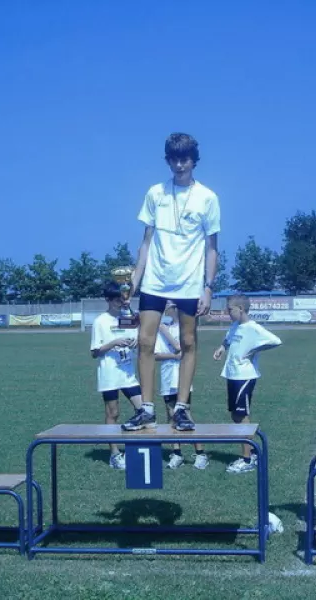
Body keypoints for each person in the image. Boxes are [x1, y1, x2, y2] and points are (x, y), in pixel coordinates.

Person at [122, 132, 221, 432]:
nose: (179, 165)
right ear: (167, 160)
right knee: (145, 341)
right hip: (155, 279)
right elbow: (146, 240)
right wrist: (135, 280)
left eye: (185, 159)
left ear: (194, 160)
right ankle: (147, 409)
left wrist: (208, 286)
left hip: (190, 282)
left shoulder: (208, 197)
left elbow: (212, 246)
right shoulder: (155, 193)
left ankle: (182, 408)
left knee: (188, 342)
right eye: (174, 160)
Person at [213, 294, 282, 473]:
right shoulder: (235, 326)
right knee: (235, 416)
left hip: (244, 376)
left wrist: (254, 349)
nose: (228, 313)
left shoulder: (253, 328)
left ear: (241, 309)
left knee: (242, 416)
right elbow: (228, 339)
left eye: (230, 310)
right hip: (232, 375)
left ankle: (247, 459)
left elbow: (275, 341)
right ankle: (251, 453)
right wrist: (222, 348)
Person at [90, 282, 146, 469]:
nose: (119, 303)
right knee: (113, 413)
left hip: (128, 373)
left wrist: (134, 342)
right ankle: (114, 454)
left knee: (144, 412)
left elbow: (138, 335)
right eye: (116, 300)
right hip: (109, 374)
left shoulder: (127, 317)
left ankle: (139, 448)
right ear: (107, 300)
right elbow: (95, 352)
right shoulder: (100, 321)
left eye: (122, 299)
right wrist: (114, 342)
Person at [154, 301, 209, 469]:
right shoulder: (163, 328)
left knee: (184, 413)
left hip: (182, 376)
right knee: (170, 415)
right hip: (167, 376)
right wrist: (173, 355)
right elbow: (156, 355)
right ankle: (176, 453)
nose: (166, 308)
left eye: (169, 305)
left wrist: (166, 334)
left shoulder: (186, 327)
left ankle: (200, 453)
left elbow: (182, 349)